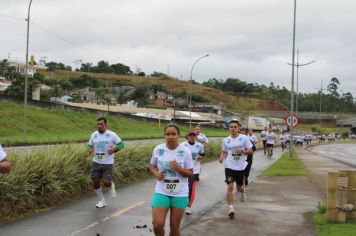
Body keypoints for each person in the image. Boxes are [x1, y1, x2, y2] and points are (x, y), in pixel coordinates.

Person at [149, 124, 193, 236]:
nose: (170, 136)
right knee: (157, 224)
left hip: (180, 193)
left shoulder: (185, 151)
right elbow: (151, 166)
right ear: (164, 136)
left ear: (179, 135)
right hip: (161, 191)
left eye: (173, 134)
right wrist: (156, 173)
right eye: (168, 134)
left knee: (174, 227)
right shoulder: (158, 149)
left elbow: (190, 173)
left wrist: (178, 168)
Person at [86, 117, 124, 208]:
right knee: (95, 182)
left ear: (105, 125)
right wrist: (90, 150)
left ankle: (110, 185)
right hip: (96, 162)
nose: (99, 126)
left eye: (101, 124)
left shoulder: (112, 134)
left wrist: (114, 150)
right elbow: (90, 146)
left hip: (108, 163)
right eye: (98, 124)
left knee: (106, 182)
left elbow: (121, 144)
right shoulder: (93, 135)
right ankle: (101, 201)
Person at [219, 120, 253, 219]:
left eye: (235, 127)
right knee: (230, 187)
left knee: (239, 188)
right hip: (229, 166)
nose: (233, 128)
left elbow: (251, 151)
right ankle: (231, 209)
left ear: (238, 128)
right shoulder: (226, 140)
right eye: (231, 127)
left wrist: (242, 150)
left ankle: (243, 191)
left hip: (241, 167)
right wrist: (222, 157)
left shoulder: (244, 138)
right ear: (229, 128)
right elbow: (224, 151)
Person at [181, 130, 204, 215]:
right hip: (184, 169)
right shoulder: (183, 145)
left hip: (195, 169)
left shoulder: (199, 145)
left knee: (190, 186)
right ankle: (181, 203)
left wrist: (200, 157)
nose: (192, 137)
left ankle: (188, 206)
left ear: (195, 137)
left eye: (193, 136)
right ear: (187, 137)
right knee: (183, 187)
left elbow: (202, 155)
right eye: (190, 136)